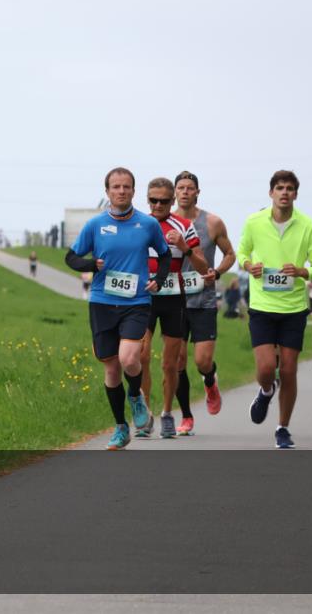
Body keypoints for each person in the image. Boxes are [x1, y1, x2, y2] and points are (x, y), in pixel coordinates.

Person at [66, 167, 172, 450]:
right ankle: (120, 427)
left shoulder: (147, 224)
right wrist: (90, 265)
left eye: (126, 186)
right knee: (111, 368)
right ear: (108, 191)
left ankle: (135, 396)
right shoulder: (95, 225)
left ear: (133, 191)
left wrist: (158, 281)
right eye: (116, 187)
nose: (121, 191)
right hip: (102, 302)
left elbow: (164, 256)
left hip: (136, 303)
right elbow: (71, 257)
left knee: (129, 359)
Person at [236, 170, 312, 449]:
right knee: (266, 368)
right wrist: (248, 265)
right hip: (263, 305)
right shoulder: (254, 222)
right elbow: (241, 254)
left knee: (288, 370)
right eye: (280, 188)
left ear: (296, 195)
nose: (284, 192)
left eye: (289, 188)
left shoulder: (307, 225)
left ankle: (282, 428)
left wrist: (302, 270)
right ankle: (266, 390)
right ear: (271, 193)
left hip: (293, 307)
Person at [137, 177, 209, 438]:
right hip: (144, 298)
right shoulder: (139, 224)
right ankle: (144, 415)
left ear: (172, 200)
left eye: (164, 201)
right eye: (153, 200)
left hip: (173, 299)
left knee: (170, 364)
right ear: (147, 199)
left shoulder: (185, 226)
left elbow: (203, 268)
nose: (158, 205)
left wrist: (183, 247)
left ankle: (168, 413)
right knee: (141, 357)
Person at [172, 171, 237, 433]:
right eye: (181, 187)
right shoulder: (164, 222)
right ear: (175, 192)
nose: (185, 192)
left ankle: (210, 381)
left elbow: (230, 254)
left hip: (203, 299)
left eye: (190, 188)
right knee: (177, 362)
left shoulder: (212, 222)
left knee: (201, 361)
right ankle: (186, 416)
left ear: (198, 192)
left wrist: (218, 272)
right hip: (173, 300)